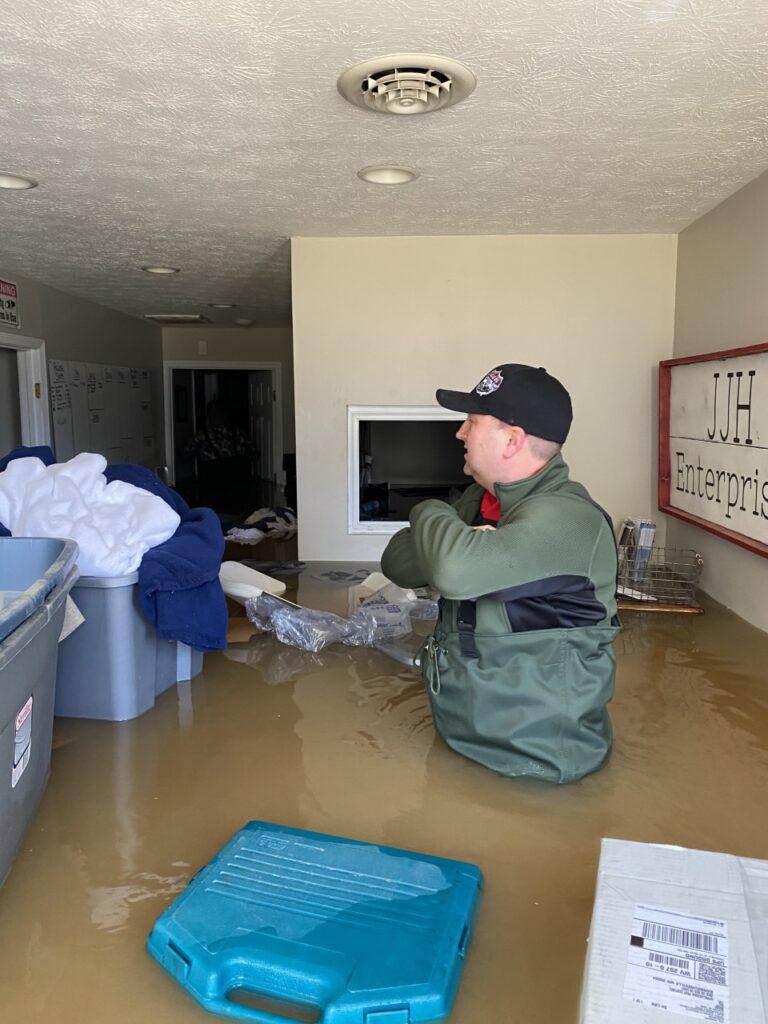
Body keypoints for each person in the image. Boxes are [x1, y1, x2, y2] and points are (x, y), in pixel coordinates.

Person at [381, 364, 619, 784]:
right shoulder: (483, 500)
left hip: (540, 764)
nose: (459, 433)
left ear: (511, 440)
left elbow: (451, 570)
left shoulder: (570, 519)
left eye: (472, 421)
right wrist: (454, 533)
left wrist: (425, 508)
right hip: (463, 737)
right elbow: (398, 564)